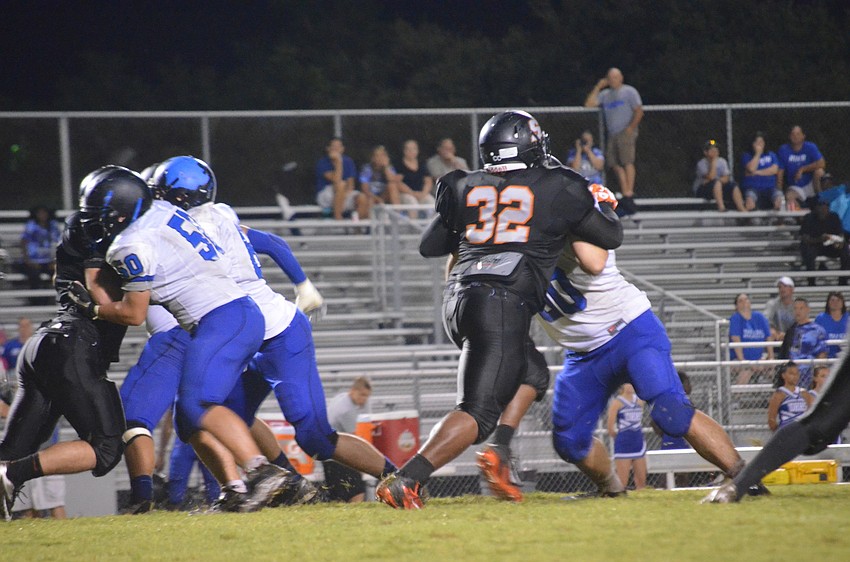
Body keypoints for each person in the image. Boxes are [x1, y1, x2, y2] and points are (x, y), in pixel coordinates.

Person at [376, 109, 624, 509]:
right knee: (476, 411)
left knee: (533, 372)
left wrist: (482, 220)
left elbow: (430, 246)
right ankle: (408, 479)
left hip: (459, 300)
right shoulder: (557, 185)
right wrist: (604, 204)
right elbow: (611, 236)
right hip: (501, 301)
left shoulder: (465, 185)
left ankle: (500, 453)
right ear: (531, 146)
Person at [147, 156, 395, 510]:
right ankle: (267, 485)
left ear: (176, 196)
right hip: (242, 336)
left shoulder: (193, 229)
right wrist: (302, 283)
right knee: (206, 417)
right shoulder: (218, 215)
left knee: (316, 439)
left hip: (275, 335)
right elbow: (273, 242)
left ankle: (398, 477)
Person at [69, 165, 295, 513]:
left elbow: (133, 314)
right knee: (189, 420)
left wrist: (94, 309)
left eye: (101, 215)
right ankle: (234, 489)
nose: (95, 222)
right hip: (234, 314)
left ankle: (261, 471)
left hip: (219, 319)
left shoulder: (130, 244)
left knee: (199, 405)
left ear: (121, 212)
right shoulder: (164, 211)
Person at [477, 233, 751, 504]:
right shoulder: (505, 233)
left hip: (630, 331)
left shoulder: (565, 212)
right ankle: (612, 490)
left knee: (672, 413)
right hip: (583, 355)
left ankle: (744, 478)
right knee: (569, 441)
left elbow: (593, 254)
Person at [0, 172, 132, 521]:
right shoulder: (102, 236)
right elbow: (123, 308)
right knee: (106, 447)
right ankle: (13, 476)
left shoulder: (80, 224)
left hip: (46, 343)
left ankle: (9, 473)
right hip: (74, 346)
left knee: (11, 451)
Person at [704, 328, 850, 503]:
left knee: (820, 428)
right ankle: (737, 487)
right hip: (796, 428)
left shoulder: (802, 393)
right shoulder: (780, 394)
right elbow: (773, 418)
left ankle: (737, 486)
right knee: (820, 428)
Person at [584, 67, 643, 216]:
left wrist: (631, 128)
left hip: (625, 131)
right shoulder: (605, 95)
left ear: (621, 78)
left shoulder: (629, 91)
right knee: (614, 163)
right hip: (613, 133)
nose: (613, 80)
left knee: (627, 161)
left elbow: (639, 110)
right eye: (610, 78)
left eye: (615, 77)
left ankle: (629, 192)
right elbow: (589, 104)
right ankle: (625, 191)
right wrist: (598, 86)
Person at [323, 377, 372, 503]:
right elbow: (356, 438)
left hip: (328, 452)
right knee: (357, 492)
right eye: (362, 395)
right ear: (353, 391)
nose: (364, 399)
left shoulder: (342, 398)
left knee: (337, 495)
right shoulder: (346, 411)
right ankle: (356, 516)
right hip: (338, 455)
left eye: (366, 396)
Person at [777, 297, 828, 388]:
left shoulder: (817, 330)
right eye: (795, 308)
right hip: (792, 374)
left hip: (808, 373)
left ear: (808, 310)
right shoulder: (791, 330)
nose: (798, 311)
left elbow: (822, 354)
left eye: (801, 308)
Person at [799, 199, 850, 286]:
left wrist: (838, 242)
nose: (823, 209)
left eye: (825, 206)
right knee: (809, 251)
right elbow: (805, 238)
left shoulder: (834, 217)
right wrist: (820, 239)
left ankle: (843, 279)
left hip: (830, 245)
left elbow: (840, 234)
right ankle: (811, 281)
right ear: (816, 208)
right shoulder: (809, 218)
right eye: (821, 206)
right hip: (815, 245)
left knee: (845, 249)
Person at [315, 137, 368, 220]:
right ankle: (338, 219)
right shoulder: (322, 162)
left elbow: (351, 184)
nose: (336, 149)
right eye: (333, 146)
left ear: (342, 149)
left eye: (338, 147)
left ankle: (357, 230)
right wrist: (338, 162)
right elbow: (336, 180)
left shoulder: (348, 161)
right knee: (341, 184)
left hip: (344, 193)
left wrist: (344, 195)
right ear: (328, 149)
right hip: (326, 194)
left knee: (362, 198)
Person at [777, 125, 826, 211]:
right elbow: (780, 172)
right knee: (789, 197)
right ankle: (799, 218)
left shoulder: (810, 147)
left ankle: (821, 201)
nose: (795, 136)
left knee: (819, 171)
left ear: (803, 136)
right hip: (796, 185)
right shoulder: (784, 150)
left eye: (798, 134)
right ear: (789, 136)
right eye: (793, 134)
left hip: (812, 183)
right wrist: (779, 191)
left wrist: (802, 169)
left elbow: (822, 163)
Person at [607, 384, 646, 490]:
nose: (631, 386)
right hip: (624, 445)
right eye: (627, 383)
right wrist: (620, 438)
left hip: (638, 443)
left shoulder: (639, 401)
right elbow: (610, 427)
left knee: (641, 481)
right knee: (622, 482)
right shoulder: (617, 403)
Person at [729, 293, 774, 384]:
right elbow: (736, 340)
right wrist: (743, 361)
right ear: (736, 306)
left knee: (775, 367)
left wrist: (771, 357)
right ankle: (737, 396)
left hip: (759, 358)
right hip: (739, 359)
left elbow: (768, 337)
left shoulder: (759, 317)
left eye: (746, 299)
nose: (744, 302)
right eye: (740, 301)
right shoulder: (736, 318)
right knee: (747, 369)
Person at [692, 140, 746, 213]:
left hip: (718, 188)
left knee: (733, 185)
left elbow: (726, 178)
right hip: (703, 190)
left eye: (716, 149)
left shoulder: (722, 161)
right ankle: (721, 207)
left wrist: (717, 180)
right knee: (717, 183)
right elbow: (710, 176)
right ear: (705, 152)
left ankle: (742, 210)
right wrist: (713, 161)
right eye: (711, 149)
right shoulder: (701, 163)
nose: (715, 151)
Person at [19, 205, 62, 290]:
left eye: (44, 213)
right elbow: (24, 242)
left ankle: (57, 298)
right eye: (39, 213)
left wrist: (55, 261)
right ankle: (36, 300)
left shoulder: (53, 226)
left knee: (60, 275)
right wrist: (28, 260)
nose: (42, 215)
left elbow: (58, 243)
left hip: (49, 260)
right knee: (34, 276)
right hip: (33, 261)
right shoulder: (31, 226)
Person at [740, 132, 781, 211]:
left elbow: (774, 170)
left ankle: (778, 221)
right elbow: (751, 168)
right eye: (756, 142)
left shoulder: (771, 155)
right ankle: (752, 221)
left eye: (761, 142)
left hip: (770, 188)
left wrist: (756, 172)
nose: (759, 144)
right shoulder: (747, 156)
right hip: (752, 188)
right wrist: (758, 154)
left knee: (778, 197)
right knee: (749, 199)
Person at [767, 362, 812, 432]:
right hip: (786, 431)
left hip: (802, 432)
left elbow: (810, 414)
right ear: (783, 375)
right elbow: (771, 419)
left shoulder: (804, 393)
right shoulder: (779, 394)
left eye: (797, 373)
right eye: (791, 374)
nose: (795, 376)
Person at [396, 139, 435, 213]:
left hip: (421, 193)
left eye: (414, 149)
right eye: (408, 149)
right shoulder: (399, 165)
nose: (411, 151)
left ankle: (431, 223)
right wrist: (412, 193)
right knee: (412, 202)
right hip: (406, 194)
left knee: (431, 201)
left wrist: (423, 193)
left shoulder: (422, 164)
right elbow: (398, 183)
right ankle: (413, 224)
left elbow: (428, 181)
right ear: (404, 151)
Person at [814, 291, 849, 358]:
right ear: (828, 303)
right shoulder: (820, 319)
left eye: (838, 300)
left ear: (842, 303)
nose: (835, 303)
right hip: (826, 357)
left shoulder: (848, 318)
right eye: (832, 300)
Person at [764, 276, 796, 342]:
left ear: (792, 289)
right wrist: (773, 331)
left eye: (785, 286)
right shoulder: (772, 304)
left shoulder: (798, 305)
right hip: (777, 338)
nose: (782, 289)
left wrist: (787, 335)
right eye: (780, 287)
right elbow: (766, 320)